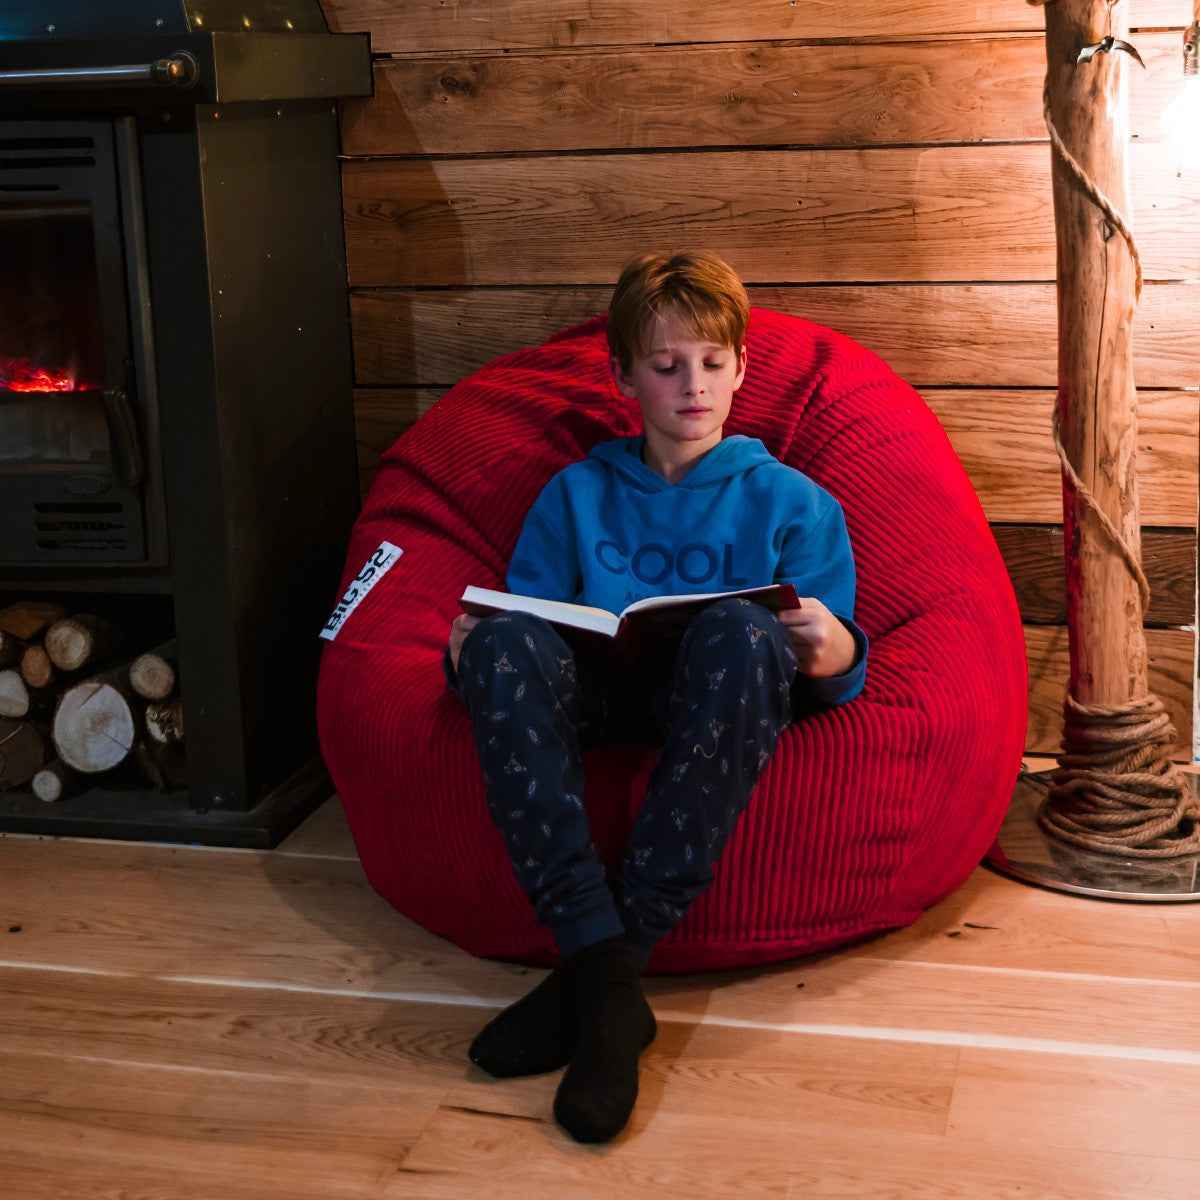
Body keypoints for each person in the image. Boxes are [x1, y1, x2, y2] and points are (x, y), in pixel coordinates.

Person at [444, 250, 868, 1143]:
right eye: (667, 365)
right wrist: (474, 650)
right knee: (501, 642)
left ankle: (602, 977)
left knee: (745, 631)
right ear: (623, 376)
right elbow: (533, 619)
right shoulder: (576, 492)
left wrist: (834, 648)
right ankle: (609, 985)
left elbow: (836, 666)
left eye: (713, 362)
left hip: (716, 708)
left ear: (741, 369)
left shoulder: (794, 502)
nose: (693, 385)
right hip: (597, 694)